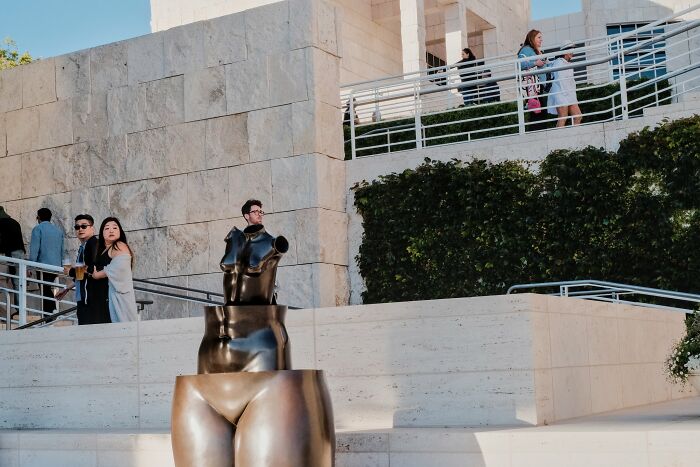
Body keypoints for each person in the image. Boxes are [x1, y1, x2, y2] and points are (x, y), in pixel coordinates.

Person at [58, 214, 110, 325]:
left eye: (84, 226)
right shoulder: (84, 247)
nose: (80, 229)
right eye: (77, 227)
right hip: (85, 299)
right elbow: (82, 275)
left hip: (93, 301)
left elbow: (92, 268)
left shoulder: (93, 244)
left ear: (92, 228)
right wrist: (66, 288)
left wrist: (71, 271)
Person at [91, 217, 137, 323]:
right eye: (106, 228)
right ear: (102, 233)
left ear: (120, 231)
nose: (111, 230)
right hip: (101, 301)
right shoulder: (103, 249)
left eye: (115, 228)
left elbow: (119, 267)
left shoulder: (119, 245)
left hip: (111, 301)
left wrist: (99, 275)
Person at [28, 208, 64, 319]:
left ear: (38, 217)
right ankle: (50, 314)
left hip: (43, 266)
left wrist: (30, 266)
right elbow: (61, 250)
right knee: (47, 288)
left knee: (45, 290)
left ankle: (51, 313)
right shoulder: (58, 231)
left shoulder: (38, 229)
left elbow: (35, 250)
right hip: (56, 266)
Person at [517, 29, 550, 131]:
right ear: (532, 38)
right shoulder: (526, 49)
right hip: (533, 87)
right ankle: (536, 136)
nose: (541, 40)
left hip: (539, 86)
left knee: (540, 113)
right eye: (539, 37)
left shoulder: (535, 50)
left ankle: (538, 134)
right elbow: (520, 64)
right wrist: (535, 63)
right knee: (537, 113)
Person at [547, 40, 582, 127]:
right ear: (565, 51)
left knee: (578, 116)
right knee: (563, 116)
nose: (572, 53)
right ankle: (558, 140)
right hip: (561, 93)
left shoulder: (567, 63)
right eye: (570, 50)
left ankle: (574, 136)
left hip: (569, 94)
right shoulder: (558, 62)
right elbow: (560, 80)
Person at [0, 206, 26, 291]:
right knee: (18, 283)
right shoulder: (14, 222)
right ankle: (20, 304)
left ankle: (4, 304)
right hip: (19, 253)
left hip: (6, 254)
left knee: (2, 283)